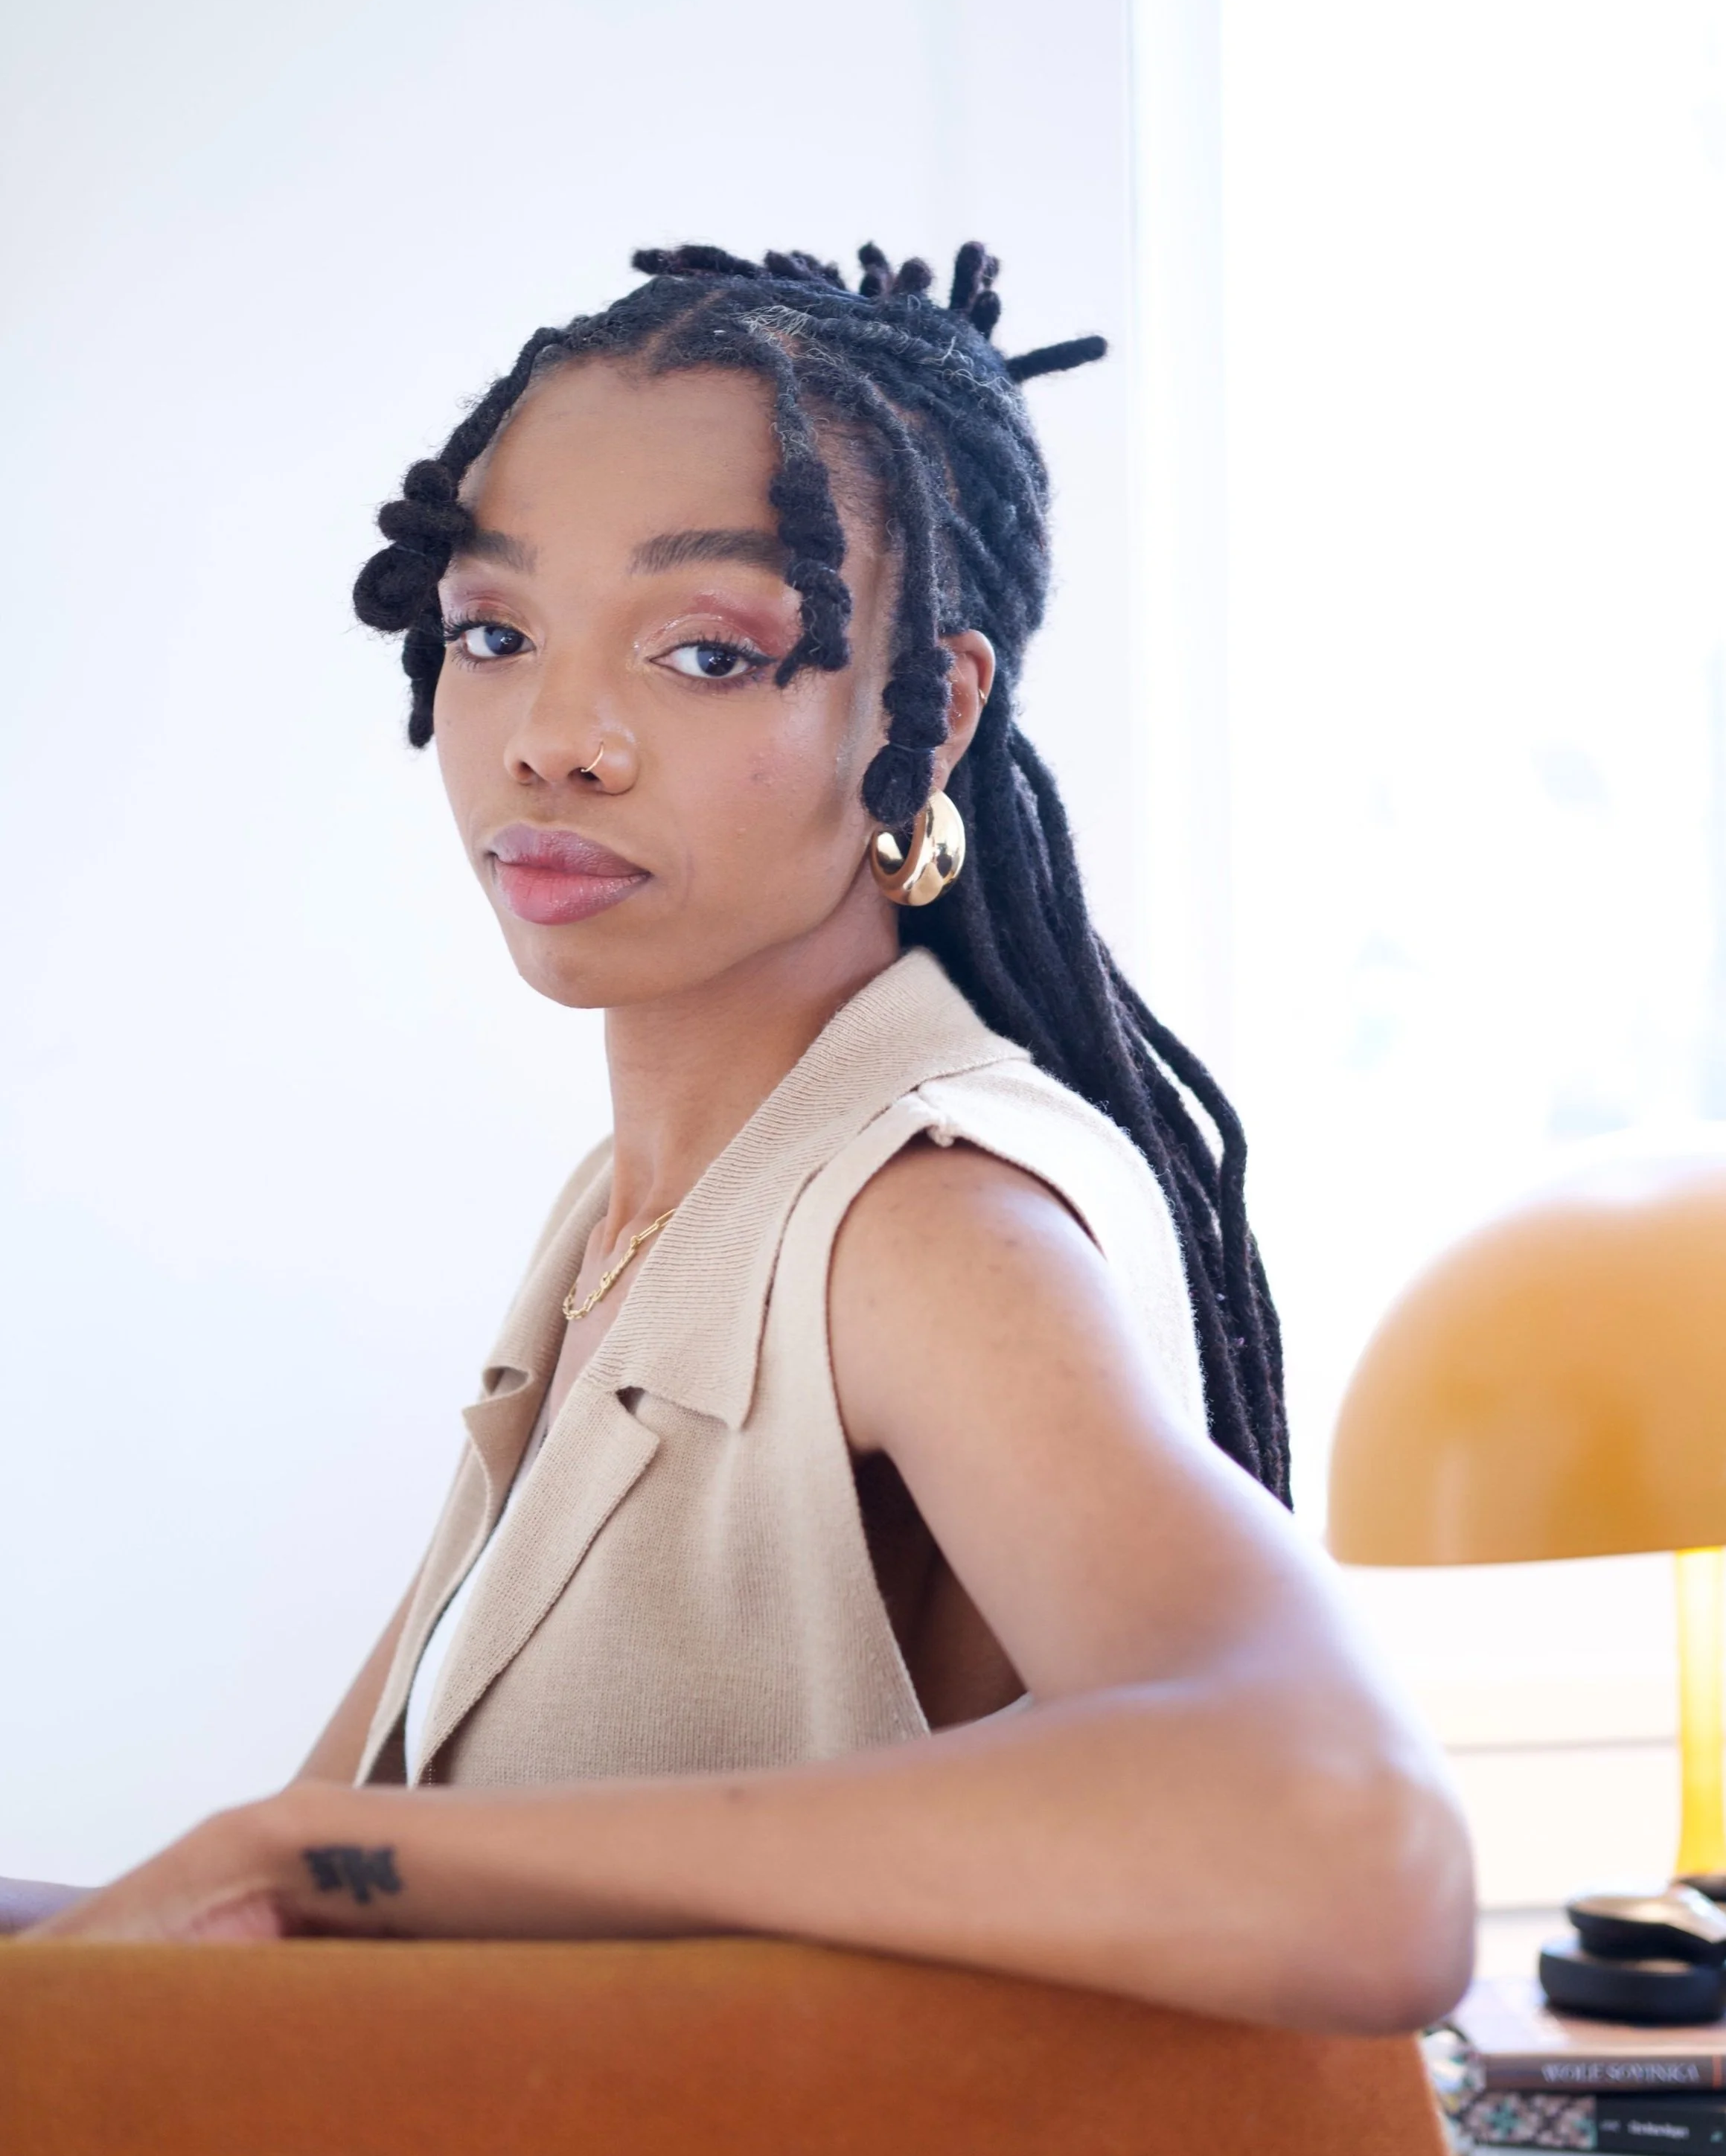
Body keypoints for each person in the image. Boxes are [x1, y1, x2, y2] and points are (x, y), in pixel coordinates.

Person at [9, 243, 1472, 2029]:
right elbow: (301, 1913)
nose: (556, 740)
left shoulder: (922, 1226)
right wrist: (312, 1872)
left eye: (709, 652)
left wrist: (331, 1864)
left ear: (922, 714)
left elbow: (1346, 1849)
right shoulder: (632, 1224)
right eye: (494, 633)